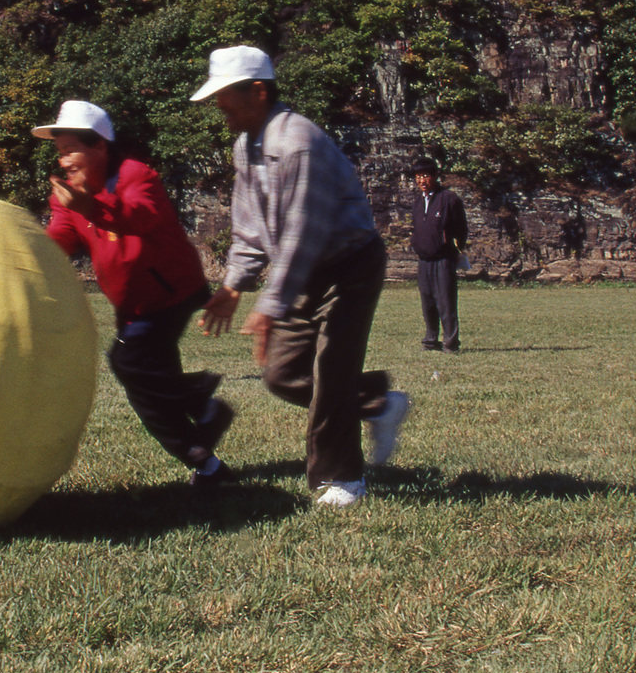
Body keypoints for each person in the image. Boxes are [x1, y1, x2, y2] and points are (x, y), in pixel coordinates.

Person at [191, 45, 411, 508]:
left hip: (348, 265)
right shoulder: (245, 146)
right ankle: (377, 403)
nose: (219, 105)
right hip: (302, 272)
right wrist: (233, 285)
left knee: (330, 373)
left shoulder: (299, 143)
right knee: (282, 374)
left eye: (225, 95)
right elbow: (250, 227)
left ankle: (342, 479)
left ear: (258, 91)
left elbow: (301, 233)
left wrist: (269, 305)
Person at [36, 100, 237, 485]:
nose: (64, 161)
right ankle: (205, 460)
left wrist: (90, 205)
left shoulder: (136, 176)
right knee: (145, 385)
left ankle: (201, 402)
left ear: (99, 145)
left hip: (170, 294)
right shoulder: (68, 194)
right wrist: (27, 250)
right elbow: (60, 236)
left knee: (129, 363)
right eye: (59, 153)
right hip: (133, 305)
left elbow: (137, 217)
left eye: (70, 150)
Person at [409, 156, 468, 353]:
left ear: (435, 176)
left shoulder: (449, 199)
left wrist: (455, 250)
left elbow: (461, 229)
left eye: (426, 176)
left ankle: (450, 343)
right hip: (424, 259)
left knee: (445, 302)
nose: (422, 181)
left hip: (443, 259)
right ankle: (430, 340)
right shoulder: (417, 202)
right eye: (418, 177)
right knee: (427, 302)